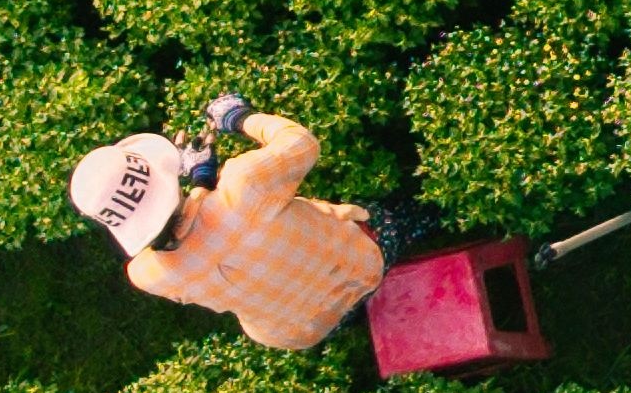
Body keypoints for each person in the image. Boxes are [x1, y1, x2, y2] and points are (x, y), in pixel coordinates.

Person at [69, 99, 414, 354]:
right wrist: (238, 117)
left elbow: (190, 235)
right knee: (394, 214)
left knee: (317, 309)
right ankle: (426, 218)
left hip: (303, 331)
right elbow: (301, 143)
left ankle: (354, 318)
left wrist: (202, 182)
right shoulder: (244, 184)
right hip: (361, 266)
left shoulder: (147, 274)